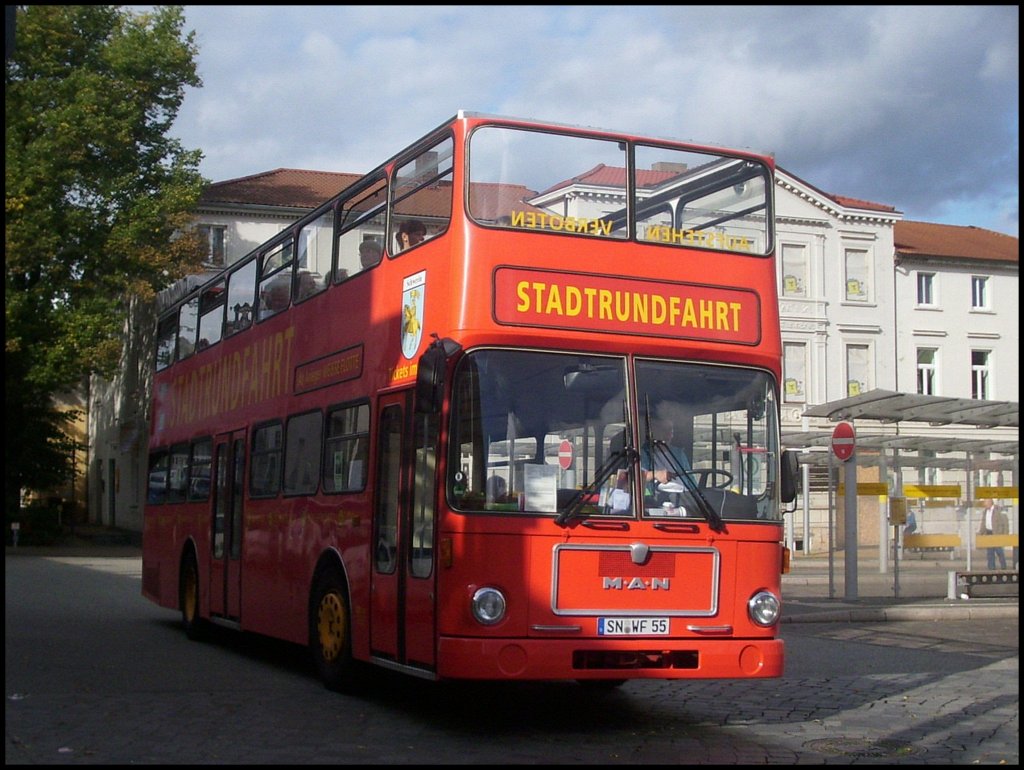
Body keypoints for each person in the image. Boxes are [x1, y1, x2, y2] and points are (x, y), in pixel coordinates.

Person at [640, 415, 691, 492]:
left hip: (685, 497)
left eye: (670, 430)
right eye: (663, 430)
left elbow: (691, 480)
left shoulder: (679, 453)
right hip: (659, 499)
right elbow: (635, 477)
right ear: (652, 432)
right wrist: (655, 474)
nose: (668, 434)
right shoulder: (643, 453)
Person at [978, 498, 1008, 569]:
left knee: (999, 551)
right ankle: (991, 568)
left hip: (997, 533)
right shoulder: (985, 511)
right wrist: (980, 533)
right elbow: (983, 523)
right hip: (989, 533)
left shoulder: (998, 510)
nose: (984, 504)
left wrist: (1005, 534)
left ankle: (1003, 567)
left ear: (990, 502)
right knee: (990, 553)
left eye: (985, 502)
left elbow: (1004, 523)